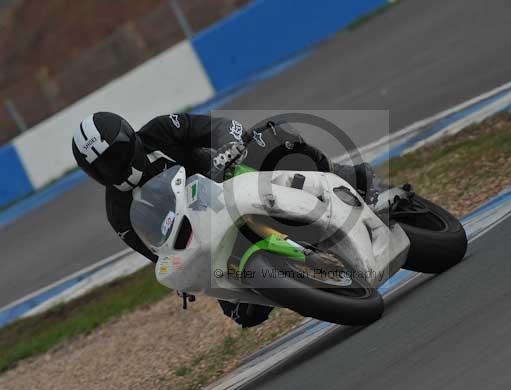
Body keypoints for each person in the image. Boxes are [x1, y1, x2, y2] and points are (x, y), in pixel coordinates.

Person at [72, 112, 374, 327]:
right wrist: (182, 273)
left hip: (229, 178)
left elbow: (218, 126)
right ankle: (302, 280)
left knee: (275, 138)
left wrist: (231, 144)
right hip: (207, 234)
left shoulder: (161, 130)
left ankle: (341, 175)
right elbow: (158, 253)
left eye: (117, 155)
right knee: (243, 313)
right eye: (104, 167)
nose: (115, 168)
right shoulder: (118, 212)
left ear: (131, 139)